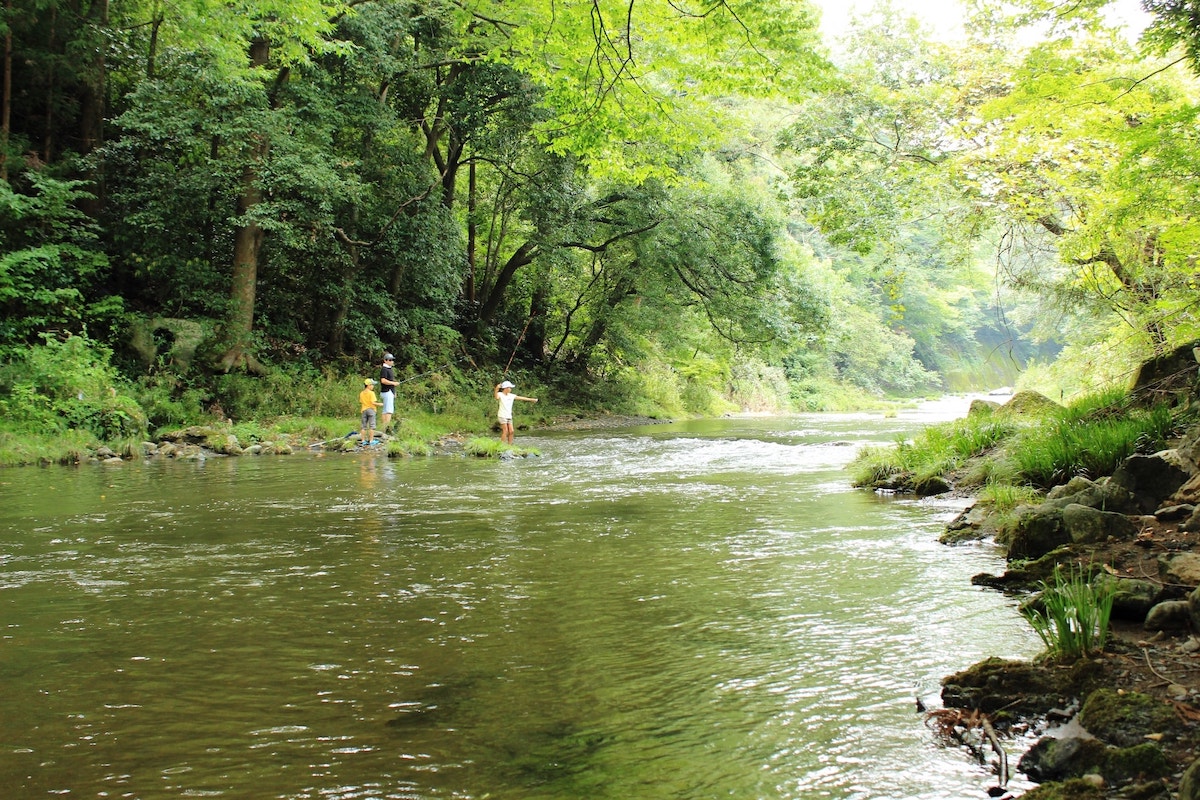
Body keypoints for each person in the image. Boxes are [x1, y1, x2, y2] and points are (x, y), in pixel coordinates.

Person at [494, 379, 537, 444]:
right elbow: (496, 397)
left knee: (511, 431)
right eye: (510, 388)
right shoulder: (500, 394)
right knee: (505, 431)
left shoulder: (511, 395)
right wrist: (496, 389)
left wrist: (532, 400)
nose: (511, 389)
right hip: (502, 415)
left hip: (509, 416)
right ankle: (501, 445)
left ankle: (510, 445)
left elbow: (522, 398)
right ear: (505, 388)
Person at [358, 378, 383, 445]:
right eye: (372, 385)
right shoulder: (371, 393)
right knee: (372, 426)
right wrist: (380, 404)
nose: (373, 386)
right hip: (371, 410)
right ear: (368, 385)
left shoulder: (361, 393)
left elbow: (361, 401)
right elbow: (373, 402)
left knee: (363, 426)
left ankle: (363, 441)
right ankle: (371, 441)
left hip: (364, 410)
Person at [379, 353, 398, 433]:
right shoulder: (384, 369)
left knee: (385, 410)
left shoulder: (389, 369)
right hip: (387, 392)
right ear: (385, 360)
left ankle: (384, 428)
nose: (391, 361)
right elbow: (383, 380)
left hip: (389, 392)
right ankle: (386, 428)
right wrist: (393, 383)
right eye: (390, 360)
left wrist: (394, 391)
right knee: (389, 411)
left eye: (392, 360)